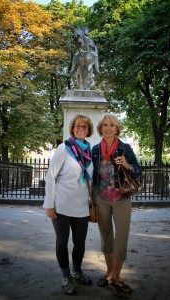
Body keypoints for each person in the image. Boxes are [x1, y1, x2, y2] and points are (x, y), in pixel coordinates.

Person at [43, 114, 94, 295]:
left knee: (79, 244)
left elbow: (91, 179)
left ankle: (77, 271)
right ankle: (66, 276)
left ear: (89, 131)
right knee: (62, 241)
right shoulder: (64, 148)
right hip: (61, 205)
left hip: (81, 206)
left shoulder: (89, 151)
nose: (81, 129)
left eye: (85, 127)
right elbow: (50, 176)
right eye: (78, 126)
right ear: (72, 128)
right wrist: (49, 204)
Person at [92, 113, 141, 294]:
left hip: (122, 200)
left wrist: (127, 165)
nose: (108, 128)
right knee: (106, 238)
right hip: (101, 199)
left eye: (111, 125)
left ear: (117, 128)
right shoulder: (96, 149)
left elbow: (138, 170)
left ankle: (118, 276)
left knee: (121, 239)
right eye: (105, 125)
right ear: (100, 129)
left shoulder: (125, 148)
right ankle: (109, 273)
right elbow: (90, 174)